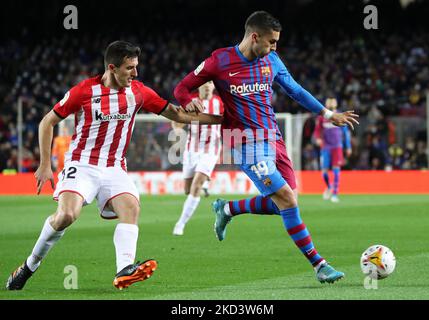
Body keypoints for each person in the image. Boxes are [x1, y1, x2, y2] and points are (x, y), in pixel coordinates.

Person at [6, 40, 221, 291]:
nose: (135, 73)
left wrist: (225, 120)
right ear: (112, 68)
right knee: (66, 215)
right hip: (82, 163)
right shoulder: (84, 91)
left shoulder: (139, 92)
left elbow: (178, 115)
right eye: (130, 68)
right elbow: (47, 122)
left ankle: (124, 270)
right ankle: (29, 265)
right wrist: (45, 165)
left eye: (136, 67)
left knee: (131, 207)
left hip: (114, 167)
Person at [174, 11, 359, 284]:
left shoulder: (271, 60)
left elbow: (295, 90)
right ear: (254, 37)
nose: (275, 48)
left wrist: (329, 115)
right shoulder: (220, 60)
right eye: (271, 42)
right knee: (287, 200)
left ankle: (227, 210)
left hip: (273, 138)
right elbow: (182, 87)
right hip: (244, 141)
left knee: (283, 204)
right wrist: (188, 100)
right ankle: (319, 265)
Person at [172, 81, 223, 236]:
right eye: (205, 83)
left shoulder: (221, 103)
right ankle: (206, 181)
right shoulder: (191, 102)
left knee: (196, 186)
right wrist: (177, 130)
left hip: (211, 149)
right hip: (191, 150)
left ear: (214, 86)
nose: (207, 86)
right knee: (188, 190)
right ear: (199, 85)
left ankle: (180, 224)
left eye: (211, 83)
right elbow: (176, 120)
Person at [313, 97, 351, 203]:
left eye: (332, 101)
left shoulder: (340, 116)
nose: (330, 103)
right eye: (329, 102)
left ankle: (335, 194)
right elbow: (317, 131)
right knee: (324, 172)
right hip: (326, 147)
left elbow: (345, 133)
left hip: (337, 146)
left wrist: (348, 146)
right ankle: (329, 187)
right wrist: (318, 139)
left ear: (336, 103)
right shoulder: (322, 117)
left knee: (336, 171)